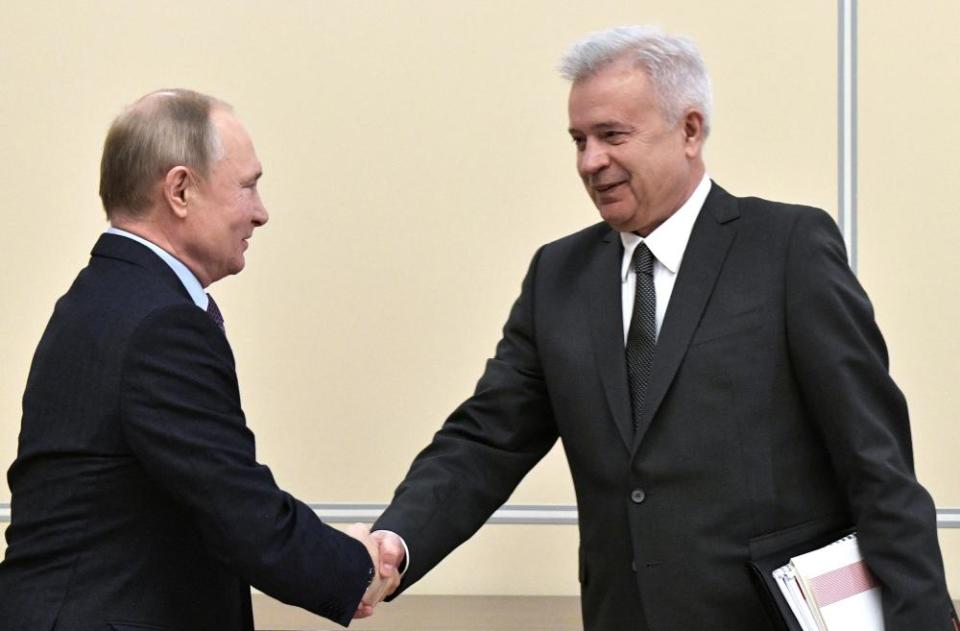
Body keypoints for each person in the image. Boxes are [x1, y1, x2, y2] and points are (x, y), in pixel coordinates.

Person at [368, 26, 957, 630]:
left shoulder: (787, 249)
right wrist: (398, 539)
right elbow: (486, 439)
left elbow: (874, 461)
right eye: (579, 140)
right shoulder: (557, 276)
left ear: (690, 131)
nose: (590, 161)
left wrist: (925, 619)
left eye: (612, 136)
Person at [0, 89, 395, 630]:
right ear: (180, 189)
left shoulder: (106, 297)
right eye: (248, 186)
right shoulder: (160, 324)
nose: (261, 213)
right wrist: (352, 567)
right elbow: (235, 505)